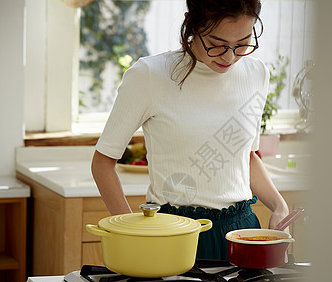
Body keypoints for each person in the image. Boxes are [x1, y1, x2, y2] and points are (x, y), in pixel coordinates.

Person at [91, 0, 290, 260]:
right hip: (174, 233)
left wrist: (279, 205)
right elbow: (102, 163)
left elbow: (245, 157)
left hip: (243, 231)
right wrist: (131, 231)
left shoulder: (256, 74)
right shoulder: (150, 75)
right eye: (217, 44)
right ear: (191, 24)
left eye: (242, 44)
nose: (230, 57)